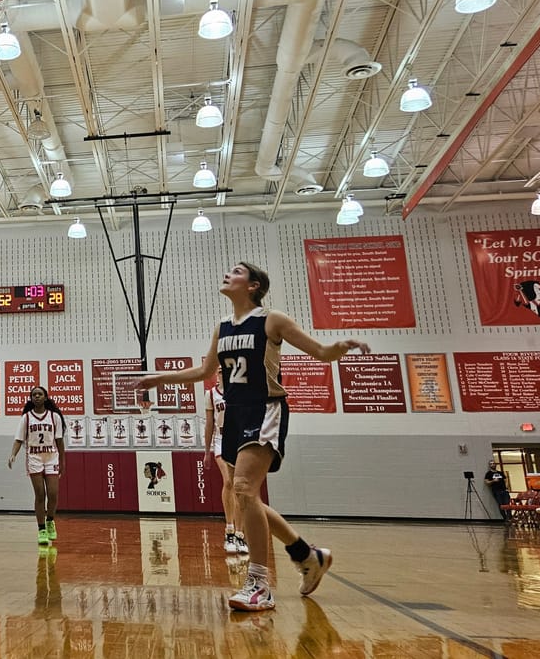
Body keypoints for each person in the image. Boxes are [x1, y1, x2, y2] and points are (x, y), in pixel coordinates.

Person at [138, 261, 370, 612]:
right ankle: (307, 556)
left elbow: (321, 353)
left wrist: (341, 345)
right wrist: (159, 378)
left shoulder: (272, 320)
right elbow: (205, 371)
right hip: (234, 413)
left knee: (244, 489)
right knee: (248, 499)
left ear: (253, 285)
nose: (227, 273)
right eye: (227, 269)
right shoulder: (222, 327)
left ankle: (259, 584)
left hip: (266, 408)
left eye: (236, 271)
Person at [7, 386, 65, 547]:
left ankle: (50, 521)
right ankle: (41, 530)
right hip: (34, 457)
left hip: (52, 457)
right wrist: (13, 454)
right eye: (34, 395)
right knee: (40, 494)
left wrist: (63, 462)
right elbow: (19, 439)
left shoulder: (55, 417)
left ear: (46, 397)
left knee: (53, 494)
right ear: (31, 398)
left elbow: (59, 441)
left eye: (40, 394)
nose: (37, 396)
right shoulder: (26, 418)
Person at [203, 376, 247, 555]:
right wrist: (207, 450)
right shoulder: (211, 394)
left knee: (239, 487)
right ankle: (229, 530)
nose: (222, 372)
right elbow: (209, 424)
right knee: (229, 482)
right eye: (219, 370)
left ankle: (240, 534)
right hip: (221, 439)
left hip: (238, 438)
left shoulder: (239, 391)